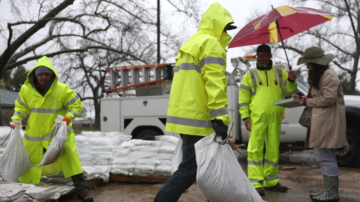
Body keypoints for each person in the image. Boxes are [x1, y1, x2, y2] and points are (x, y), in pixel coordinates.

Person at [154, 3, 236, 202]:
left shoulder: (191, 43)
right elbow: (214, 83)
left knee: (206, 168)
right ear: (218, 25)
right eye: (225, 28)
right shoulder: (211, 45)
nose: (226, 32)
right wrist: (219, 116)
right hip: (200, 119)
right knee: (190, 170)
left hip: (187, 118)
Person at [10, 56, 93, 202]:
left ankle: (82, 192)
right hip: (35, 136)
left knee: (71, 159)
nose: (43, 77)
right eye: (41, 74)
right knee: (29, 163)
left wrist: (68, 117)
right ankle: (26, 190)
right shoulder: (26, 90)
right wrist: (16, 119)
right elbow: (20, 107)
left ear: (52, 75)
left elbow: (77, 105)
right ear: (35, 75)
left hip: (58, 135)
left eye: (47, 74)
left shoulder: (62, 89)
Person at [238, 44, 297, 196]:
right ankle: (256, 182)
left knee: (272, 149)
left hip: (275, 117)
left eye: (264, 55)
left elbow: (288, 91)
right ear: (256, 57)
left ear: (270, 56)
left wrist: (291, 80)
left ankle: (271, 181)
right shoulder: (249, 75)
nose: (261, 58)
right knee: (254, 149)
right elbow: (243, 99)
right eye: (259, 56)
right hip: (257, 117)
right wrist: (245, 116)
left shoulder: (281, 73)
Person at [292, 46, 346, 202]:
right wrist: (302, 99)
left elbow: (329, 98)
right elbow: (318, 96)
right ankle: (328, 190)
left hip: (327, 123)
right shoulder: (321, 75)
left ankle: (331, 193)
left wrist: (307, 101)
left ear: (316, 63)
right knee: (322, 157)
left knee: (327, 158)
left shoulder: (329, 75)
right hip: (322, 122)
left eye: (309, 63)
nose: (308, 66)